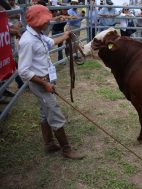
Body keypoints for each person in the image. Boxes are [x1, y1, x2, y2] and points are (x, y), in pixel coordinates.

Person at [18, 5, 84, 159]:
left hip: (46, 80)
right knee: (54, 113)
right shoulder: (27, 41)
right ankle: (66, 150)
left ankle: (48, 144)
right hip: (40, 83)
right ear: (36, 22)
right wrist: (45, 84)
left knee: (44, 111)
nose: (48, 23)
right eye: (45, 21)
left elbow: (51, 42)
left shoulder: (38, 34)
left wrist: (66, 35)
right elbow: (24, 71)